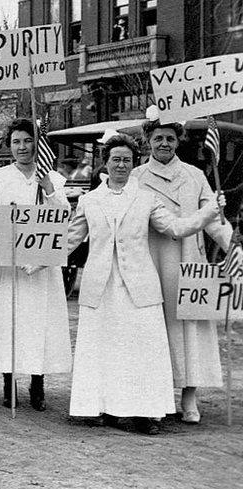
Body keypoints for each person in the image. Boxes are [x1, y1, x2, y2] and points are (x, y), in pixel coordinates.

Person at [65, 134, 222, 434]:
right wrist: (35, 258)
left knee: (140, 350)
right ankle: (101, 407)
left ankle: (144, 412)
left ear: (133, 162)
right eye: (115, 159)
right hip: (101, 287)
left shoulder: (147, 198)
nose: (121, 165)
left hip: (139, 287)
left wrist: (208, 212)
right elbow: (70, 240)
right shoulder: (89, 200)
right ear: (105, 162)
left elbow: (175, 227)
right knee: (105, 348)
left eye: (126, 160)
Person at [131, 116, 233, 424]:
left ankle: (189, 395)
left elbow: (214, 221)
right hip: (152, 258)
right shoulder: (135, 175)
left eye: (170, 139)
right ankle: (157, 396)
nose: (164, 144)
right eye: (158, 138)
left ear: (179, 142)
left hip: (190, 261)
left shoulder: (196, 175)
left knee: (190, 329)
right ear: (148, 140)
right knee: (155, 329)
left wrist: (234, 246)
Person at [0, 118, 72, 410]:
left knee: (38, 323)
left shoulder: (52, 179)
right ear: (10, 145)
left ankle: (38, 382)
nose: (22, 147)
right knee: (9, 321)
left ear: (37, 144)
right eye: (16, 141)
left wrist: (49, 191)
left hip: (41, 263)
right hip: (8, 263)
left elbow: (63, 217)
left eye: (28, 141)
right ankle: (9, 381)